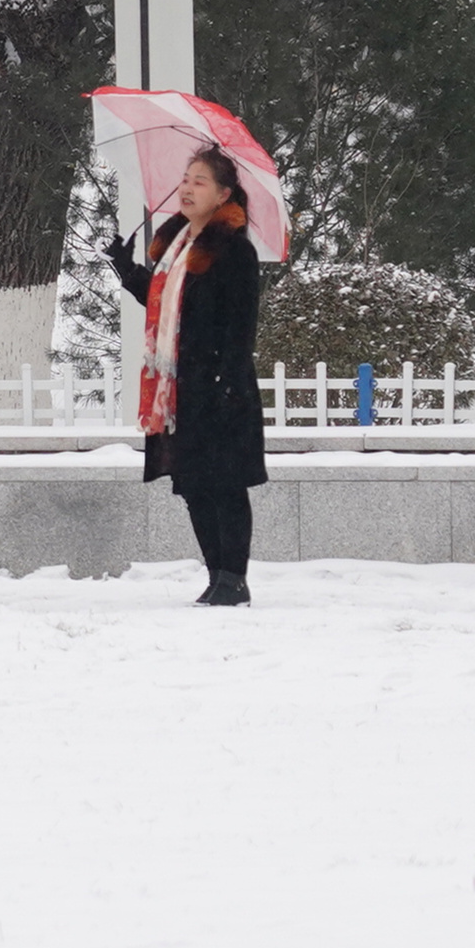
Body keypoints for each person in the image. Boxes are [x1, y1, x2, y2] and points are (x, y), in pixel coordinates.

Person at [111, 145, 270, 604]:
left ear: (223, 194)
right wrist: (127, 270)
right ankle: (215, 573)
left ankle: (234, 578)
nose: (186, 187)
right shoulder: (176, 246)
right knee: (194, 482)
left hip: (220, 385)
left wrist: (226, 383)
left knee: (226, 483)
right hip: (179, 386)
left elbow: (242, 326)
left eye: (199, 181)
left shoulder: (233, 251)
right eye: (185, 178)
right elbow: (167, 307)